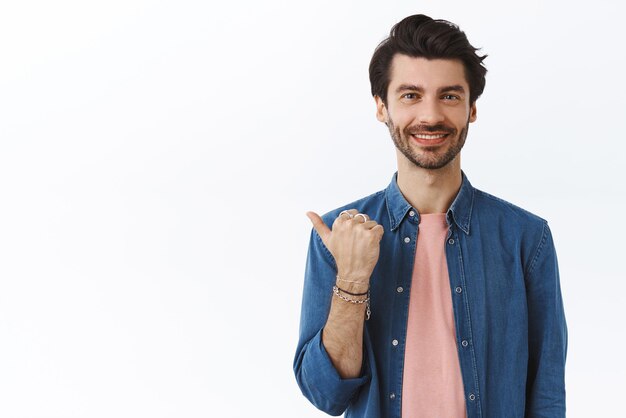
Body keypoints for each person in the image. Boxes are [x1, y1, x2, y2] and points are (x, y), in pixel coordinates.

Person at [293, 13, 567, 418]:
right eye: (410, 95)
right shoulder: (338, 236)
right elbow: (325, 395)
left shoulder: (527, 239)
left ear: (472, 108)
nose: (431, 115)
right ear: (381, 107)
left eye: (450, 96)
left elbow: (546, 395)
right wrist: (351, 280)